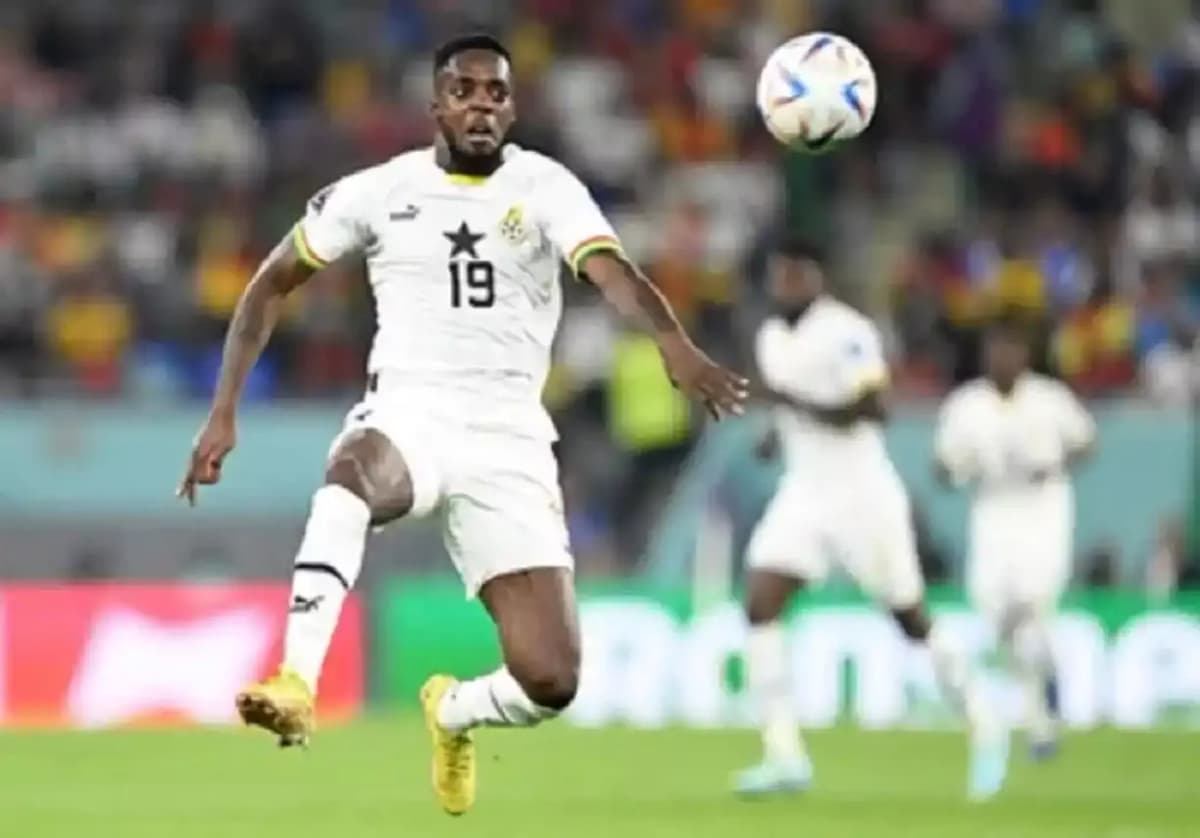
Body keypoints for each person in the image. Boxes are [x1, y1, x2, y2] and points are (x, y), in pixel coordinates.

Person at [177, 34, 748, 817]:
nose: (482, 104)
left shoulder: (547, 187)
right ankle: (297, 680)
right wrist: (223, 412)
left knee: (552, 679)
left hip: (510, 434)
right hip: (411, 408)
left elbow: (611, 270)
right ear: (437, 104)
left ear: (512, 107)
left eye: (497, 93)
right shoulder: (380, 190)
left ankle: (454, 713)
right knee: (349, 477)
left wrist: (673, 343)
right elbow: (270, 284)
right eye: (465, 90)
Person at [736, 236, 1007, 801]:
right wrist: (772, 433)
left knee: (908, 618)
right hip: (805, 492)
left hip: (863, 496)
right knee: (760, 598)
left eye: (795, 275)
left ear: (817, 278)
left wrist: (792, 403)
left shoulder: (848, 332)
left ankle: (984, 716)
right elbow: (787, 413)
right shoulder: (770, 337)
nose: (784, 285)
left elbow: (874, 406)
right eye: (778, 275)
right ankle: (784, 755)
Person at [935, 314, 1095, 760]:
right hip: (993, 511)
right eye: (995, 350)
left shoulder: (1049, 399)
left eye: (1010, 349)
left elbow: (1086, 442)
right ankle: (1041, 705)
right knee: (997, 613)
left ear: (1024, 355)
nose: (1002, 358)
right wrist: (956, 469)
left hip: (1043, 509)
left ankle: (1041, 717)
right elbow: (943, 466)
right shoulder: (967, 405)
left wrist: (1057, 461)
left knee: (1032, 602)